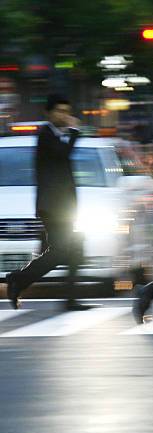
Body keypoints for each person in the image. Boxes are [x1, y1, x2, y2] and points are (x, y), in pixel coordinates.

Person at [6, 94, 89, 311]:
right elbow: (63, 155)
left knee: (73, 248)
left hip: (62, 206)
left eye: (67, 111)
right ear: (49, 113)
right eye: (60, 111)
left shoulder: (55, 135)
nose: (65, 115)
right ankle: (18, 279)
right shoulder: (46, 135)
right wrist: (74, 132)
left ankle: (69, 298)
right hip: (54, 207)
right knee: (61, 251)